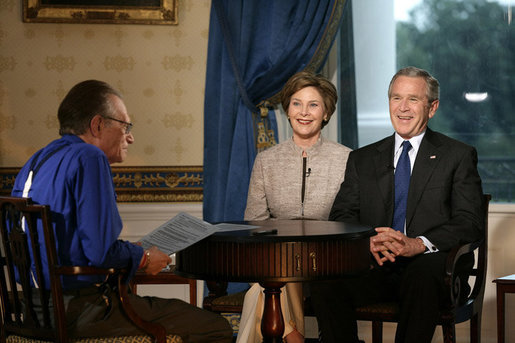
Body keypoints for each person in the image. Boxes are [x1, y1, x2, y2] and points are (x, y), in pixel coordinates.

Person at [11, 80, 233, 343]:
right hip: (78, 312)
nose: (130, 137)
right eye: (125, 126)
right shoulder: (89, 157)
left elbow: (70, 247)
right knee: (215, 326)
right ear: (97, 125)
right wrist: (143, 257)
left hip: (30, 311)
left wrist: (135, 252)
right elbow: (100, 253)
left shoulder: (38, 159)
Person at [309, 66, 485, 343]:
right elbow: (342, 215)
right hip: (376, 265)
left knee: (422, 273)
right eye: (395, 98)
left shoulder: (457, 156)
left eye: (413, 99)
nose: (402, 108)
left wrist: (418, 244)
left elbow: (469, 222)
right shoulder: (362, 159)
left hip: (432, 270)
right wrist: (368, 241)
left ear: (432, 107)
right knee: (326, 280)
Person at [238, 71, 352, 343]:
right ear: (287, 110)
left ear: (326, 113)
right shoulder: (266, 161)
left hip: (327, 263)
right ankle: (293, 336)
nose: (304, 112)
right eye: (296, 103)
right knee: (274, 276)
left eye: (313, 105)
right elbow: (254, 222)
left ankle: (291, 337)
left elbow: (353, 219)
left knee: (263, 289)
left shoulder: (348, 159)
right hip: (278, 259)